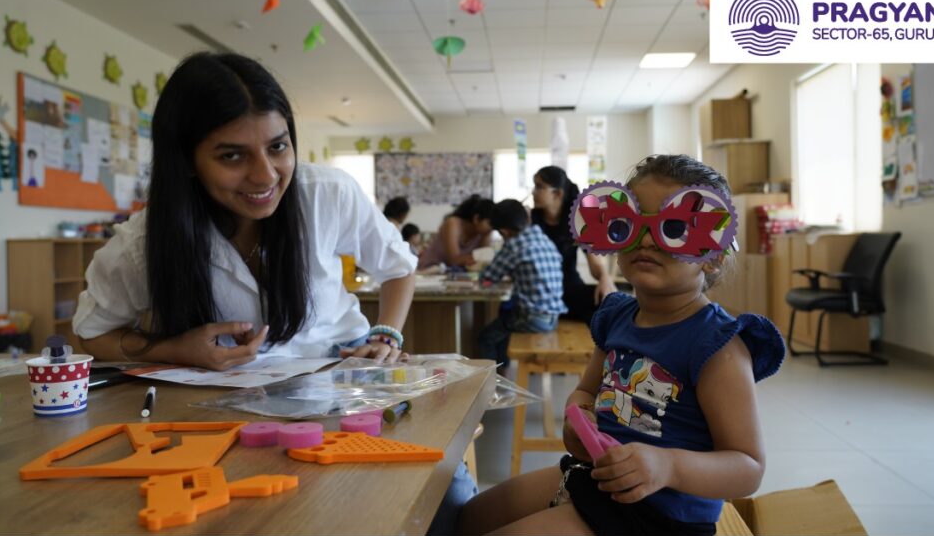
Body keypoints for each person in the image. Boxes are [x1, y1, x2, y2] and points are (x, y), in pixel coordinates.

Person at [459, 155, 785, 536]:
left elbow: (748, 467)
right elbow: (585, 391)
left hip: (659, 518)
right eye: (632, 223)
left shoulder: (718, 346)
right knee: (469, 519)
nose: (647, 238)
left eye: (675, 228)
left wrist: (668, 466)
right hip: (594, 478)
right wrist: (577, 417)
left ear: (712, 258)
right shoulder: (616, 316)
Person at [72, 52, 415, 369]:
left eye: (278, 146)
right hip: (228, 395)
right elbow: (92, 332)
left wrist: (385, 336)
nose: (266, 175)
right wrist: (175, 349)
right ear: (187, 161)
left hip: (342, 367)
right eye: (232, 156)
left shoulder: (327, 193)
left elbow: (398, 267)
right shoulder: (144, 242)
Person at [476, 200, 567, 374]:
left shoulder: (513, 245)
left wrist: (484, 273)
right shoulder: (541, 237)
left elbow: (487, 278)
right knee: (504, 325)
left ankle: (492, 383)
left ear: (503, 231)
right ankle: (503, 375)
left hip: (532, 318)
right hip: (553, 317)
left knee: (486, 338)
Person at [531, 166, 616, 325]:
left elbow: (594, 260)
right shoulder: (530, 219)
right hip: (539, 292)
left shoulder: (578, 221)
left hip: (568, 288)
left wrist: (605, 277)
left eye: (539, 186)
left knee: (610, 302)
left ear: (557, 193)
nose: (533, 192)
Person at [417, 194, 495, 270]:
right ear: (476, 219)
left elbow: (483, 260)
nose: (492, 228)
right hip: (430, 270)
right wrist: (478, 256)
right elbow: (453, 260)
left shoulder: (484, 233)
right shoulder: (453, 223)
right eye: (490, 223)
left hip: (453, 273)